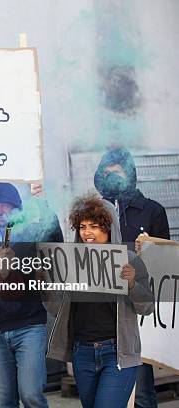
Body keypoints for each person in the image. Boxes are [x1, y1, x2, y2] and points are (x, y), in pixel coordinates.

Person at [46, 194, 154, 408]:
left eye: (94, 226)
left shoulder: (129, 260)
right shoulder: (71, 264)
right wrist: (47, 282)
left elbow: (147, 306)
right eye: (83, 226)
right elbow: (55, 308)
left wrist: (132, 284)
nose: (87, 233)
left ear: (109, 227)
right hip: (82, 353)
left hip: (117, 354)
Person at [94, 147, 170, 408]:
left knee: (141, 391)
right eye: (107, 174)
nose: (112, 179)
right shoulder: (93, 213)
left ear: (130, 174)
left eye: (118, 173)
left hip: (138, 310)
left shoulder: (152, 211)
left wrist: (147, 253)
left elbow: (164, 265)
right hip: (102, 311)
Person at [0, 182, 64, 408]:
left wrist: (43, 204)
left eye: (5, 206)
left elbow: (54, 241)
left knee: (30, 395)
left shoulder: (30, 232)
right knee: (4, 400)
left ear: (17, 208)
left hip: (28, 326)